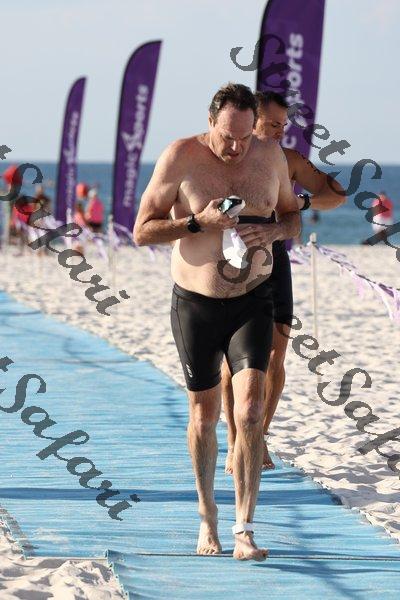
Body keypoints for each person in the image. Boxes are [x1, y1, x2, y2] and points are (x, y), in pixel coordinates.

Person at [133, 83, 300, 561]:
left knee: (249, 412)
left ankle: (244, 529)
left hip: (253, 300)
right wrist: (196, 223)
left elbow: (292, 217)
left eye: (246, 137)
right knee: (204, 417)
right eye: (228, 137)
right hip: (196, 305)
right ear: (211, 123)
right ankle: (208, 517)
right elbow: (142, 230)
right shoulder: (180, 157)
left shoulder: (270, 157)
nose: (236, 148)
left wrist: (274, 229)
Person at [222, 91, 346, 473]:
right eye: (273, 124)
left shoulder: (287, 159)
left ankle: (258, 436)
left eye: (284, 125)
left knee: (276, 356)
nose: (280, 131)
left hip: (275, 260)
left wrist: (300, 202)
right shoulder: (227, 155)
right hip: (231, 262)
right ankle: (234, 441)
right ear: (252, 120)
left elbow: (337, 194)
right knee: (231, 361)